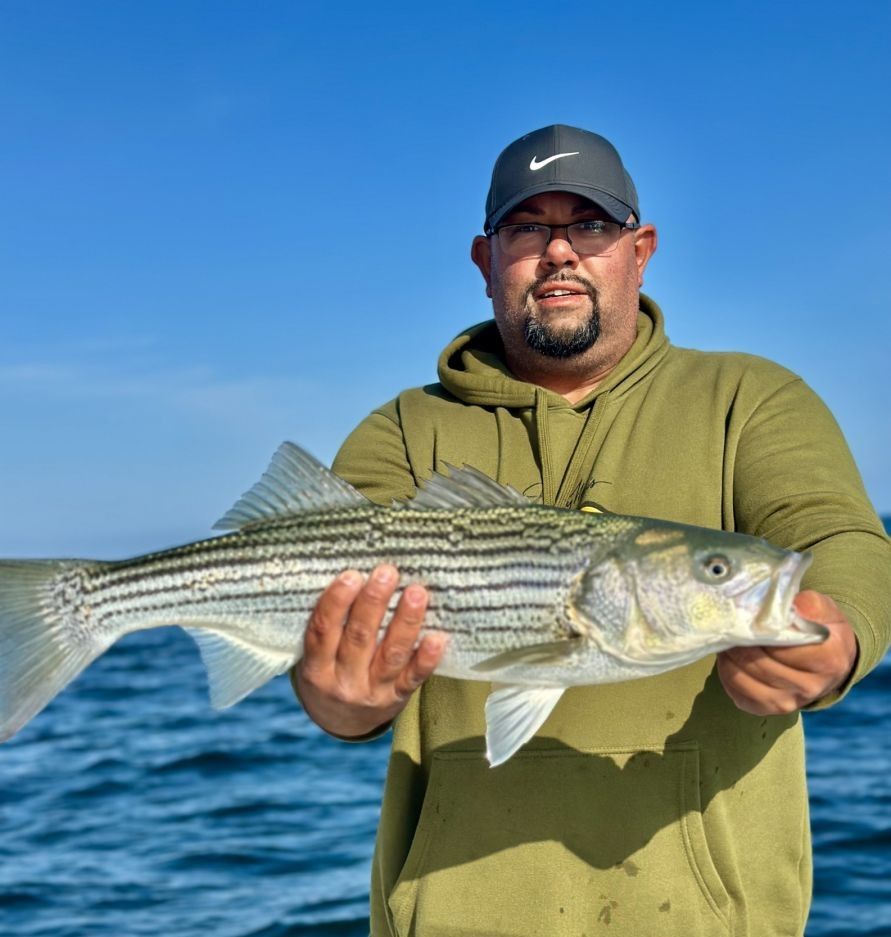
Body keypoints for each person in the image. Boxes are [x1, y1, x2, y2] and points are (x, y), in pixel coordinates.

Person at [291, 125, 891, 936]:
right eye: (527, 227)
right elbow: (323, 627)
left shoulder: (749, 397)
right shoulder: (404, 428)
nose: (559, 252)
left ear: (639, 250)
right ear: (484, 259)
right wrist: (338, 699)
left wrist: (838, 634)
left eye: (591, 225)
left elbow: (842, 540)